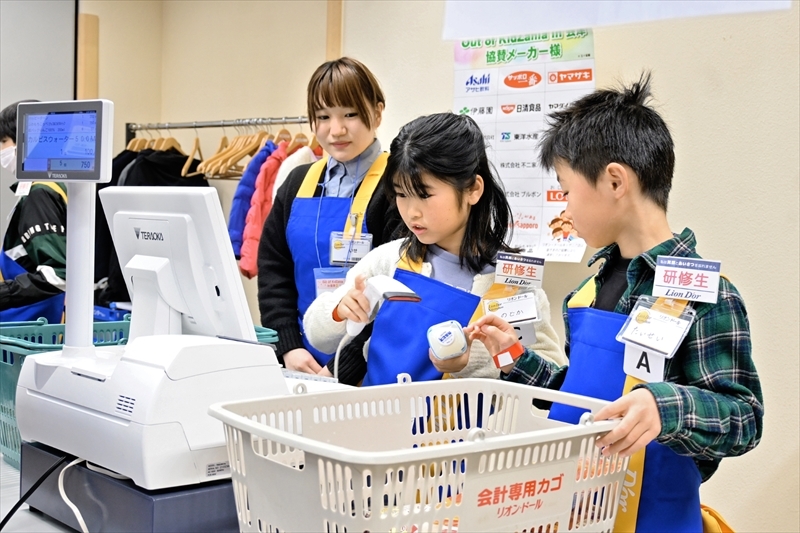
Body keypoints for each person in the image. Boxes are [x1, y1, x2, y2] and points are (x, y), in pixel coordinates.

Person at [445, 74, 763, 532]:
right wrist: (514, 356)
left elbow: (745, 416)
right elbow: (581, 397)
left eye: (567, 189)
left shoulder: (705, 295)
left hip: (656, 517)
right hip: (575, 512)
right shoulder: (588, 290)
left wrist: (662, 407)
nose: (564, 209)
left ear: (615, 180)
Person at [303, 112, 563, 386]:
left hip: (467, 429)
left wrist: (472, 364)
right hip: (376, 421)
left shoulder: (511, 281)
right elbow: (316, 333)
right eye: (401, 194)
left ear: (473, 189)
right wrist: (340, 311)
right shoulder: (389, 260)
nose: (411, 212)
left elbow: (547, 381)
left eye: (425, 194)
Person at [257, 57, 403, 374]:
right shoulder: (297, 182)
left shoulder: (398, 186)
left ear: (377, 112)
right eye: (323, 117)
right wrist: (288, 346)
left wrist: (344, 366)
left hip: (368, 364)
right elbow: (273, 272)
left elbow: (398, 291)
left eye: (349, 114)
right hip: (299, 360)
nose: (336, 130)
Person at [0, 100, 67, 324]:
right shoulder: (55, 186)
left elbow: (58, 275)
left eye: (3, 141)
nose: (1, 150)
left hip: (30, 319)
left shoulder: (40, 194)